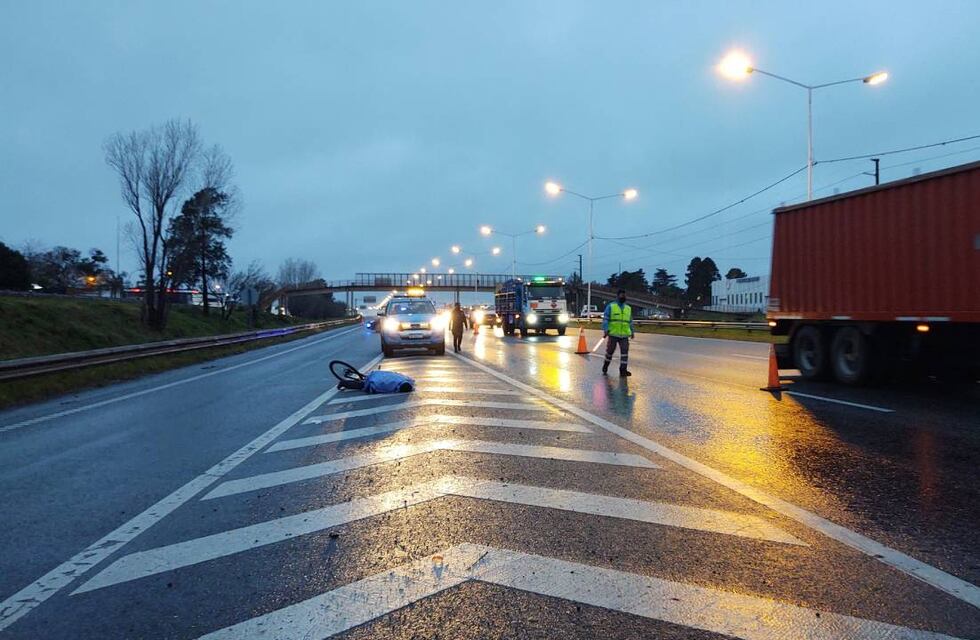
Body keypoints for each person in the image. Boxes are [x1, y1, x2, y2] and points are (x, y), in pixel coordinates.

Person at [601, 289, 634, 376]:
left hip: (624, 335)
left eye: (624, 295)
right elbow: (606, 319)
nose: (623, 296)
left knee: (624, 353)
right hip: (613, 334)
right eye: (622, 295)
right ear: (618, 296)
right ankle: (606, 366)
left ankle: (623, 370)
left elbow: (630, 321)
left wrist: (632, 331)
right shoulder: (611, 306)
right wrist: (606, 329)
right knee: (610, 352)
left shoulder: (628, 308)